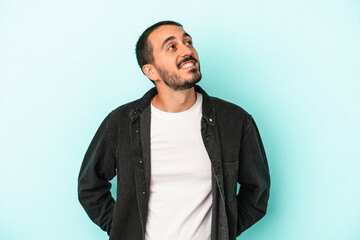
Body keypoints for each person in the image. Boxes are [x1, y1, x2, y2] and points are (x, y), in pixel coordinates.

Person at [78, 20, 270, 240]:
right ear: (151, 71)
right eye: (172, 46)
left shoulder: (235, 121)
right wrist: (123, 228)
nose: (187, 49)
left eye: (188, 41)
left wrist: (223, 229)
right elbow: (89, 186)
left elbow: (257, 193)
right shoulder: (121, 123)